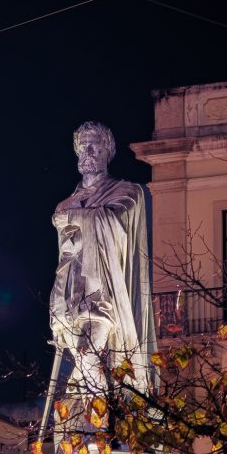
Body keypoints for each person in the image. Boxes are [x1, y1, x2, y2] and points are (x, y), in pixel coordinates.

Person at [50, 121, 157, 398]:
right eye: (82, 145)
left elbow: (113, 220)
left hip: (103, 297)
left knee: (89, 355)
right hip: (69, 300)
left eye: (94, 144)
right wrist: (55, 305)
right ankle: (95, 421)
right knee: (85, 370)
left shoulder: (127, 192)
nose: (88, 150)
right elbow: (63, 260)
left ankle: (98, 428)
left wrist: (74, 219)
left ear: (108, 151)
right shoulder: (65, 205)